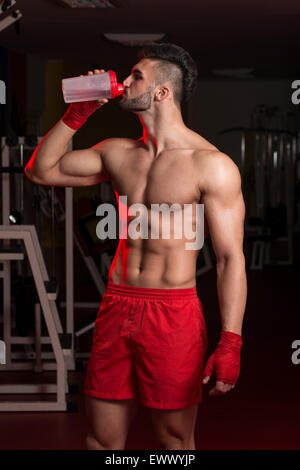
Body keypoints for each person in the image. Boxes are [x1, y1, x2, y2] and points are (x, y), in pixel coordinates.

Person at [25, 42, 247, 451]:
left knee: (175, 442)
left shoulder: (210, 165)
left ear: (162, 92)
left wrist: (230, 341)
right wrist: (77, 115)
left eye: (136, 76)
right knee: (101, 440)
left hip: (173, 313)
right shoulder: (117, 152)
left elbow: (230, 258)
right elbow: (40, 172)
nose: (124, 83)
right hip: (117, 306)